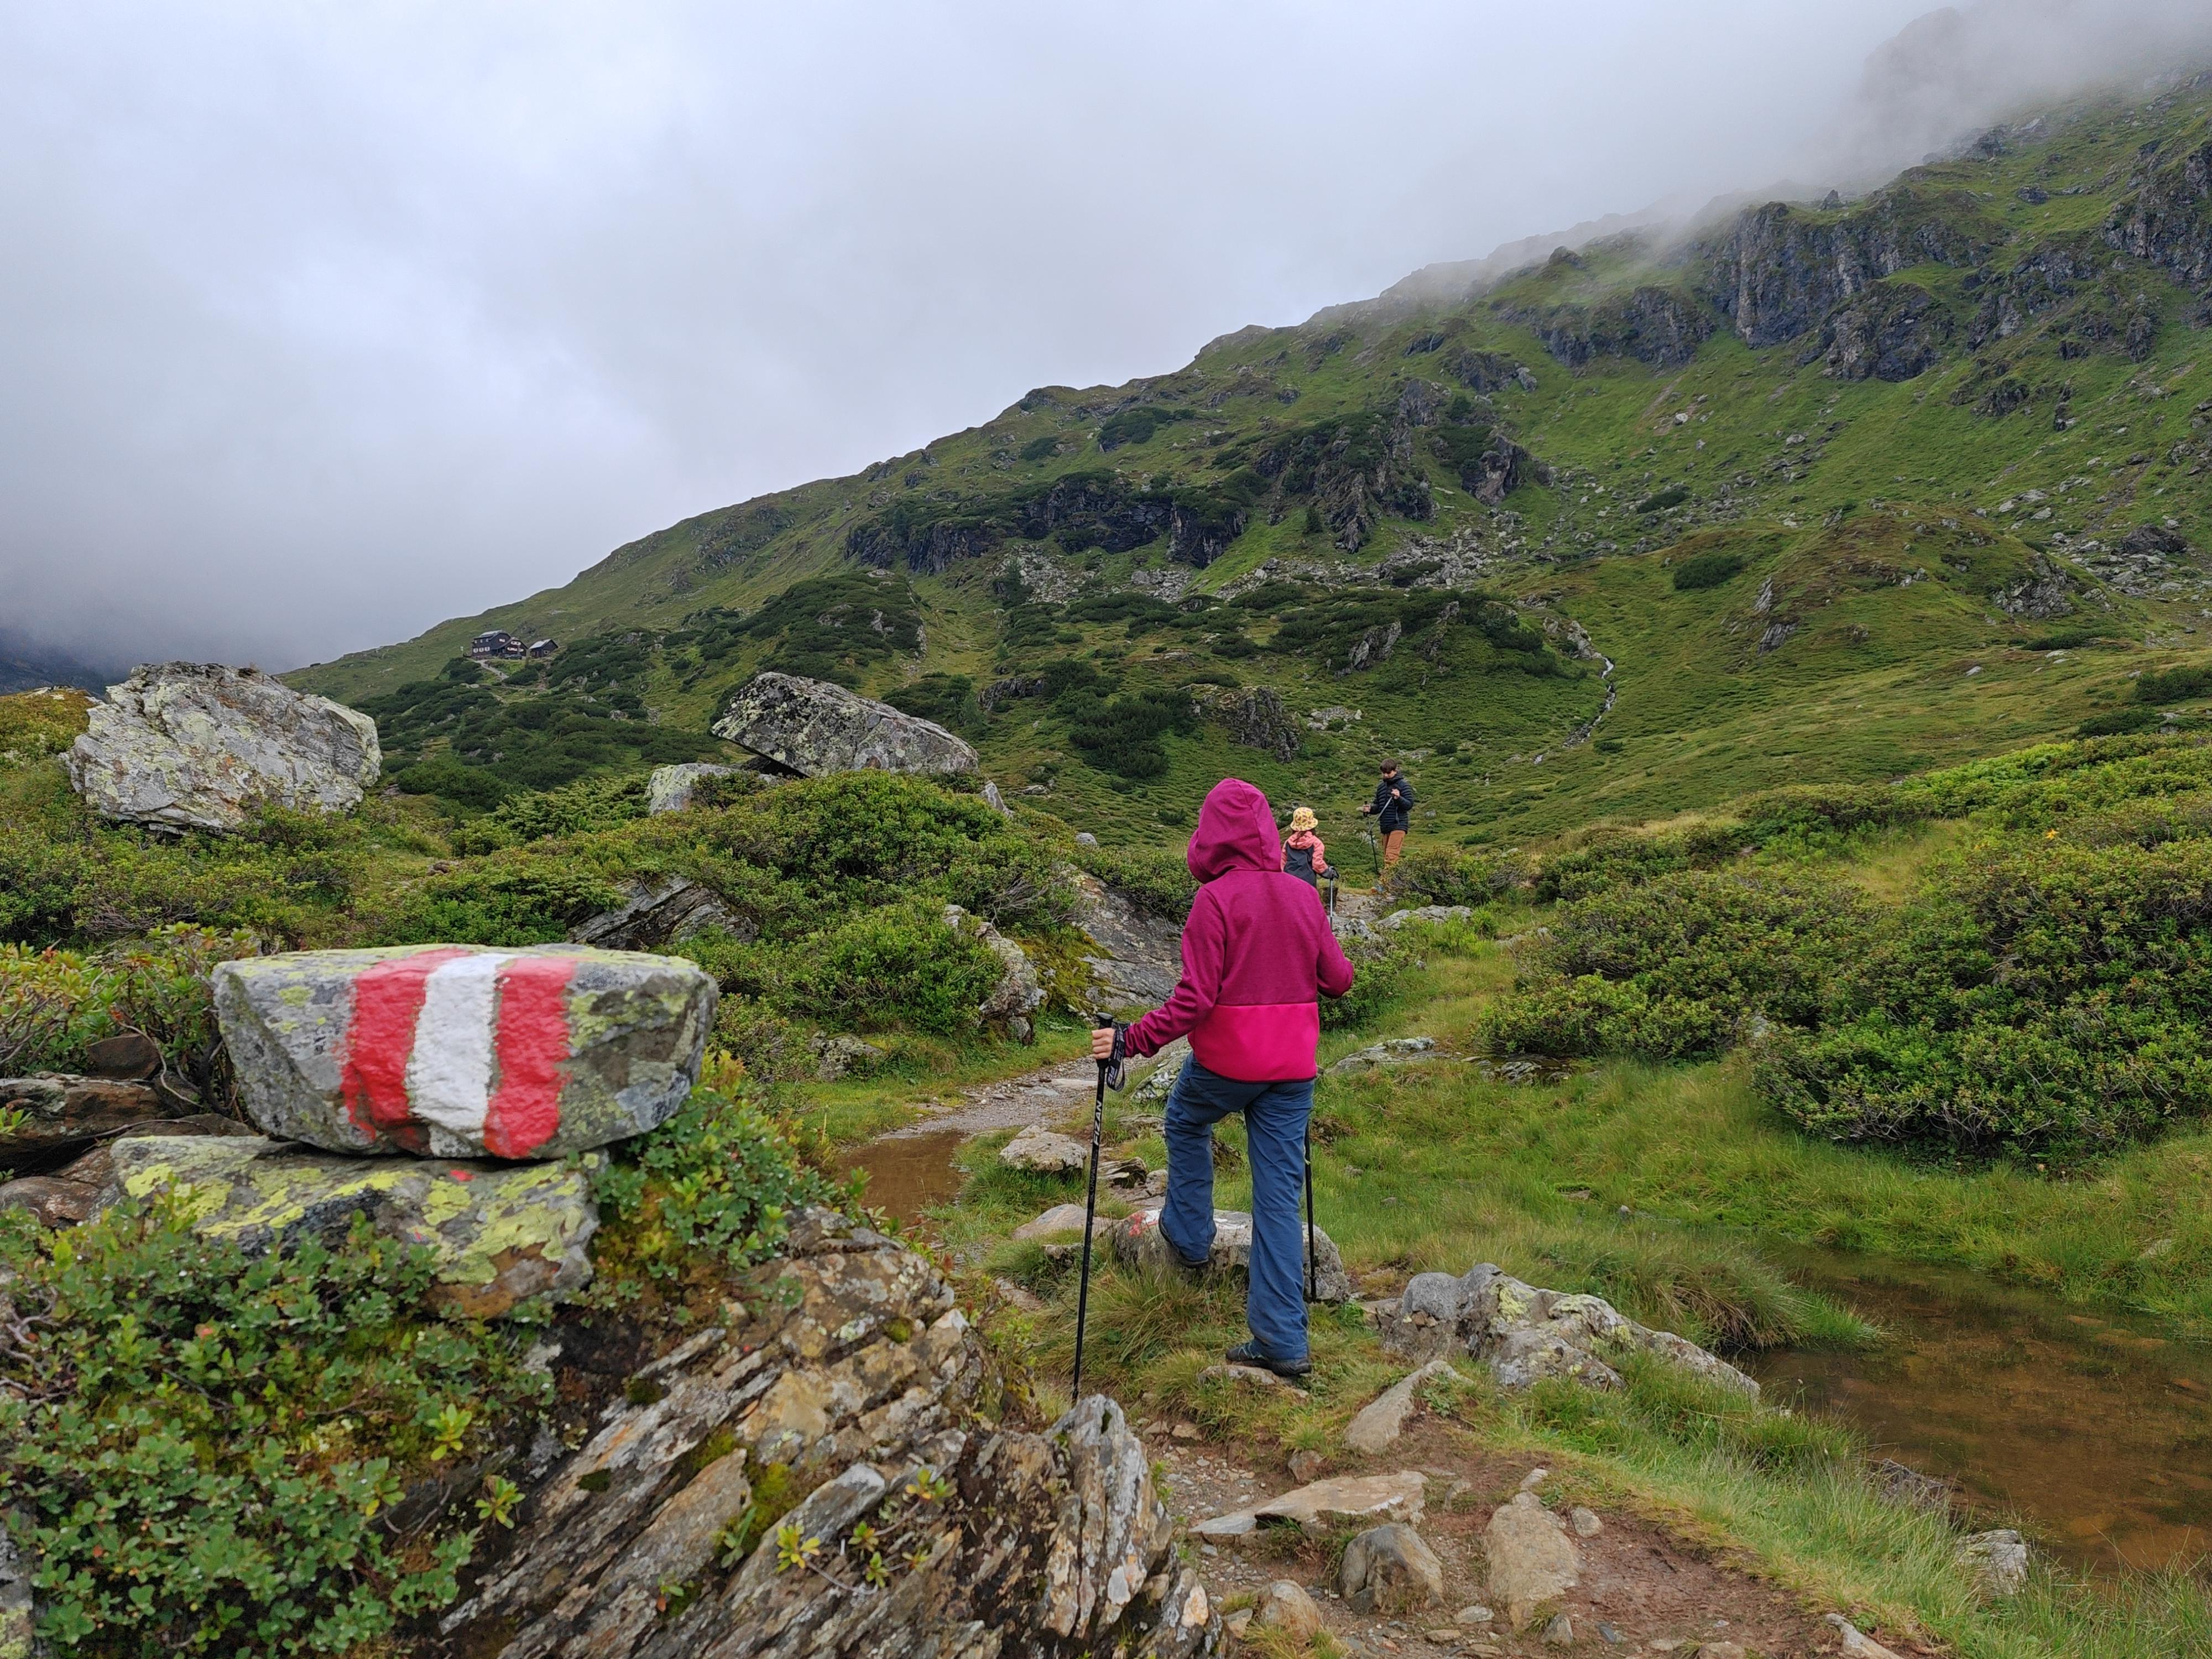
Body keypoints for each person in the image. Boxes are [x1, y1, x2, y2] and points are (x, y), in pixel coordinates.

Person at [1092, 778, 1354, 1378]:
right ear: (1267, 832)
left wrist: (1131, 1040)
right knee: (1278, 1201)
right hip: (1291, 1072)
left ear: (1210, 836)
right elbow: (1338, 981)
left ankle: (1187, 1239)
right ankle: (1284, 1342)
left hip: (1225, 1066)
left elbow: (1193, 1003)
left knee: (1185, 1119)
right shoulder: (1302, 897)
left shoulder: (1213, 901)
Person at [1359, 760, 1415, 874]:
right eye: (1383, 773)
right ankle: (1390, 884)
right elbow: (1379, 806)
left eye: (1388, 773)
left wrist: (1398, 798)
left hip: (1399, 826)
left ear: (1395, 771)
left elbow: (1409, 805)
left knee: (1391, 857)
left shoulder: (1403, 785)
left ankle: (1387, 887)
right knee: (1387, 856)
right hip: (1385, 827)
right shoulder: (1381, 787)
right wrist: (1370, 809)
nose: (1385, 775)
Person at [1281, 806, 1331, 889]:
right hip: (1308, 883)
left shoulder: (1288, 842)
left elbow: (1283, 863)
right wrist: (1328, 872)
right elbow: (1317, 864)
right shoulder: (1316, 843)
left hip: (1288, 881)